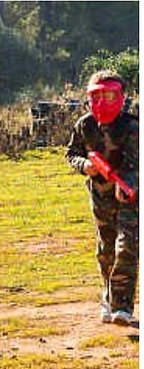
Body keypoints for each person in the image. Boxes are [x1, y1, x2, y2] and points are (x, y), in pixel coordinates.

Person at [65, 70, 139, 326]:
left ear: (122, 97)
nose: (103, 102)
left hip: (131, 197)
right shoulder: (85, 125)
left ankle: (123, 306)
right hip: (100, 196)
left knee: (127, 247)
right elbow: (71, 154)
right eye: (96, 96)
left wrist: (127, 184)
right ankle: (108, 297)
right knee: (106, 250)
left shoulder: (132, 127)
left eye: (109, 95)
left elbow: (136, 164)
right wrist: (85, 165)